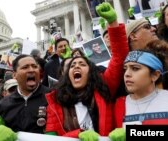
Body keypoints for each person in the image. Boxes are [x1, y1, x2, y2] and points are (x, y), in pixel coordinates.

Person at [45, 2, 129, 140]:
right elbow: (51, 137)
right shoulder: (55, 101)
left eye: (82, 64)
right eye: (72, 65)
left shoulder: (104, 87)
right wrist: (78, 135)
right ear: (67, 76)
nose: (76, 66)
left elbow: (119, 58)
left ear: (91, 72)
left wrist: (113, 23)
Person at [0, 54, 50, 141]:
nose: (31, 70)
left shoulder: (53, 96)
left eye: (34, 66)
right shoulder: (3, 105)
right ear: (14, 75)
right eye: (25, 67)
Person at [110, 49, 168, 140]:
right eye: (125, 69)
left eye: (135, 68)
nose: (127, 74)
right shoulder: (119, 104)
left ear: (155, 75)